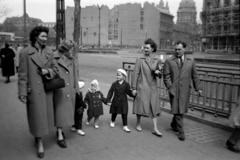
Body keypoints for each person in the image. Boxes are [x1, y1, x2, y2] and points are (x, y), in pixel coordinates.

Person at [18, 26, 58, 158]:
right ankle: (40, 142)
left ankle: (39, 138)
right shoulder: (25, 53)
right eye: (43, 36)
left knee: (44, 117)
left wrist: (47, 71)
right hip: (33, 91)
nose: (45, 39)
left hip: (46, 90)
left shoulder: (50, 52)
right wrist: (22, 93)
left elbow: (55, 69)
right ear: (36, 37)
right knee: (36, 118)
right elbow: (22, 75)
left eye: (46, 36)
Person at [163, 40, 202, 141]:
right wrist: (170, 87)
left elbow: (195, 75)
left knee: (179, 110)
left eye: (179, 49)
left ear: (184, 49)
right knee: (179, 111)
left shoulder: (190, 60)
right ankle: (181, 132)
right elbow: (166, 75)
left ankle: (173, 123)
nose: (177, 51)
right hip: (174, 89)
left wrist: (198, 88)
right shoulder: (169, 60)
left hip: (185, 90)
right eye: (175, 49)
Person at [131, 38, 163, 137]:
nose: (145, 49)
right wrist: (134, 88)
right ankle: (138, 123)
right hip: (142, 86)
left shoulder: (157, 60)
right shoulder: (140, 59)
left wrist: (158, 73)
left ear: (152, 48)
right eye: (144, 48)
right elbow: (135, 74)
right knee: (140, 105)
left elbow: (160, 73)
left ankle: (155, 129)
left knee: (153, 107)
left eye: (147, 48)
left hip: (152, 88)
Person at [53, 39, 79, 148]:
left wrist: (76, 89)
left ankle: (60, 131)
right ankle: (59, 135)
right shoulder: (53, 57)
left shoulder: (71, 59)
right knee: (59, 112)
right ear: (65, 49)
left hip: (69, 90)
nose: (73, 51)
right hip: (59, 89)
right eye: (71, 49)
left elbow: (75, 75)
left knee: (66, 112)